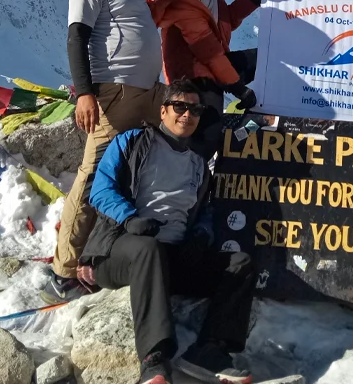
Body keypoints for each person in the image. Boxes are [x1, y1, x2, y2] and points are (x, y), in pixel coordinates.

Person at [77, 79, 255, 384]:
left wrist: (200, 235)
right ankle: (154, 360)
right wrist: (129, 218)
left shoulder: (199, 164)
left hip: (171, 259)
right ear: (163, 110)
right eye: (180, 106)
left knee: (239, 264)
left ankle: (209, 350)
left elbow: (204, 211)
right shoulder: (131, 142)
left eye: (195, 109)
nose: (187, 114)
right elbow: (99, 189)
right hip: (121, 250)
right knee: (149, 249)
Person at [45, 0, 166, 303]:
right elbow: (76, 37)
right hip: (114, 93)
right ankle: (63, 271)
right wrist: (84, 93)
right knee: (96, 173)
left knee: (140, 172)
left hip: (148, 93)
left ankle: (110, 253)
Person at [147, 0, 269, 155]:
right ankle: (191, 185)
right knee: (204, 143)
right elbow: (203, 43)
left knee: (266, 60)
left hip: (213, 66)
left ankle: (259, 119)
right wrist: (237, 87)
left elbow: (226, 21)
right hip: (192, 76)